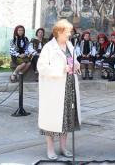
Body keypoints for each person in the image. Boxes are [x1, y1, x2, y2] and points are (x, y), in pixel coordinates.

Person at [37, 19, 81, 160]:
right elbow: (41, 67)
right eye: (68, 32)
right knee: (51, 119)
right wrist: (61, 69)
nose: (70, 34)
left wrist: (76, 65)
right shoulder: (49, 47)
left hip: (69, 89)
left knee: (67, 119)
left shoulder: (69, 45)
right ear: (59, 32)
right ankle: (50, 149)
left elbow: (73, 60)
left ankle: (63, 147)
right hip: (53, 90)